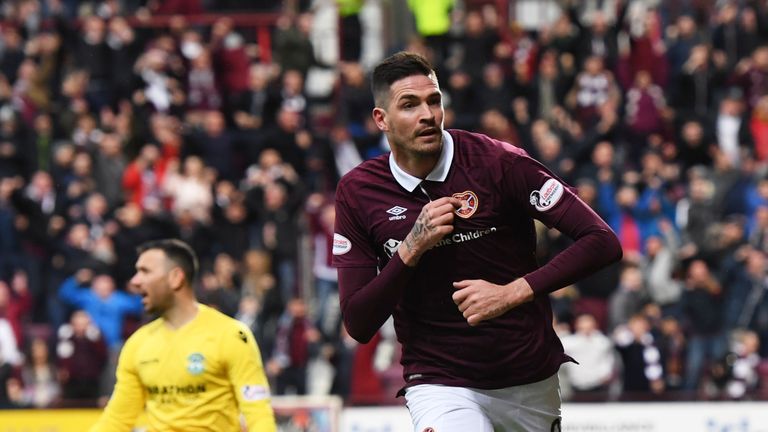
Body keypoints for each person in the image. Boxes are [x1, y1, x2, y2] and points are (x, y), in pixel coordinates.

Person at [332, 52, 622, 431]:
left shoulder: (499, 163)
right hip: (439, 382)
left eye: (434, 101)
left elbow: (602, 241)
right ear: (381, 119)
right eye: (409, 104)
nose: (428, 114)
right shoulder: (358, 192)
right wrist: (410, 248)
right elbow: (358, 321)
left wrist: (512, 292)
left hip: (527, 377)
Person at [90, 239, 276, 432]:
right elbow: (116, 421)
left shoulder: (230, 335)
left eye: (145, 271)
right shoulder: (138, 343)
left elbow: (258, 413)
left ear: (176, 278)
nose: (136, 281)